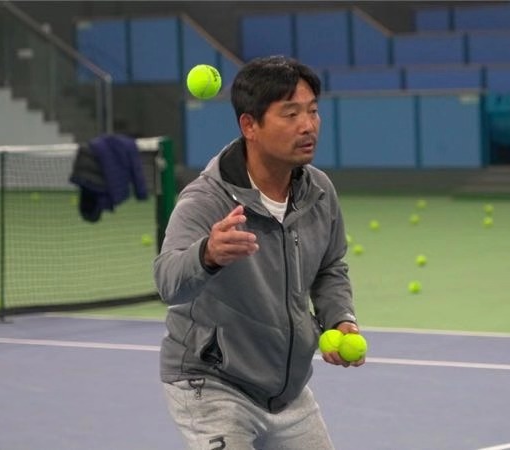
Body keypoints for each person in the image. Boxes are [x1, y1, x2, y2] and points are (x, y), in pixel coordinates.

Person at [154, 55, 365, 450]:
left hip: (286, 391)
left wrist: (341, 319)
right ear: (249, 125)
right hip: (211, 385)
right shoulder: (206, 199)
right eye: (291, 114)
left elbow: (330, 268)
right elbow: (167, 281)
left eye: (313, 111)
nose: (308, 125)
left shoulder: (318, 191)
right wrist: (207, 255)